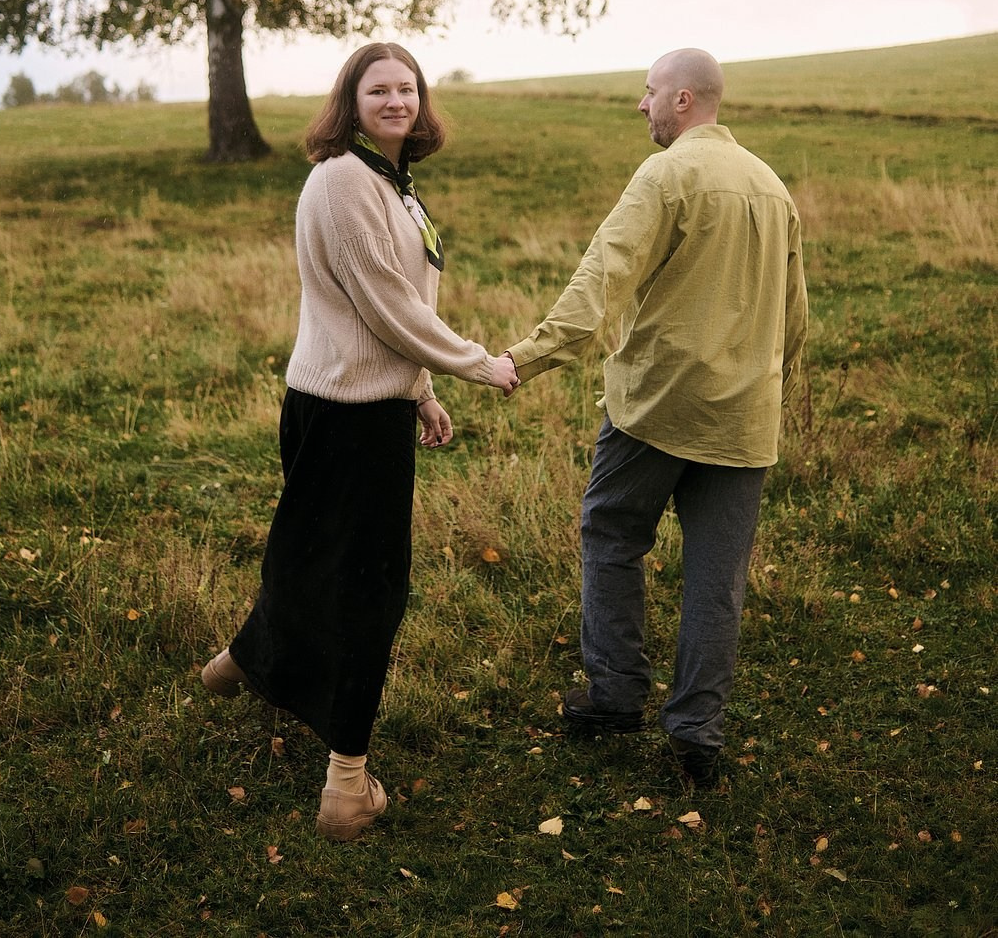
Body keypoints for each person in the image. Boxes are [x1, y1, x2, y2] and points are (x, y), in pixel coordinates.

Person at [201, 42, 518, 840]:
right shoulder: (343, 178)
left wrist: (420, 390)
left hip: (359, 400)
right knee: (366, 588)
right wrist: (479, 364)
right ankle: (346, 785)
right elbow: (387, 306)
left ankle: (238, 663)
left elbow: (391, 307)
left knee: (310, 556)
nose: (395, 101)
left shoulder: (391, 182)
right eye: (378, 89)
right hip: (340, 414)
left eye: (406, 88)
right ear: (350, 100)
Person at [504, 48, 808, 785]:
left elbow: (600, 278)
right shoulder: (770, 186)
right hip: (744, 420)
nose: (640, 106)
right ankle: (696, 738)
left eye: (646, 94)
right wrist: (765, 380)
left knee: (610, 535)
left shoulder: (666, 175)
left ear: (680, 100)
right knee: (716, 579)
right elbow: (794, 317)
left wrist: (523, 357)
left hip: (655, 408)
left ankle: (613, 699)